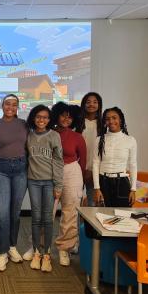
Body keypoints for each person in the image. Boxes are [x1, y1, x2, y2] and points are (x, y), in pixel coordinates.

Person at [0, 94, 28, 272]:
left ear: (18, 107)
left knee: (15, 213)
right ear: (2, 106)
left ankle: (12, 246)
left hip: (20, 169)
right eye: (7, 104)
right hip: (0, 170)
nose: (10, 107)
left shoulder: (25, 125)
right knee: (2, 213)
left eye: (14, 104)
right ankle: (1, 253)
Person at [25, 105, 63, 272]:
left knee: (48, 219)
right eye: (38, 117)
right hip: (33, 181)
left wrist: (58, 185)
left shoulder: (54, 136)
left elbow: (58, 161)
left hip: (49, 182)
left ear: (50, 119)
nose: (42, 120)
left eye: (45, 117)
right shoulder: (29, 135)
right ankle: (36, 252)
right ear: (33, 118)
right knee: (36, 217)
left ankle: (46, 254)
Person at [51, 102, 86, 266]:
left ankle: (65, 248)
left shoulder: (77, 137)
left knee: (70, 212)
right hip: (50, 172)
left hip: (72, 172)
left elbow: (83, 161)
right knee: (45, 212)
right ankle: (38, 247)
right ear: (56, 115)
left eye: (70, 116)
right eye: (63, 115)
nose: (67, 118)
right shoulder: (48, 133)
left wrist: (84, 184)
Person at [93, 107, 137, 207]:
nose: (111, 121)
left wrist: (133, 189)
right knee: (102, 217)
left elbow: (133, 165)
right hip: (103, 182)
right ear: (105, 122)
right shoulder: (99, 140)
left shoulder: (130, 140)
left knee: (123, 217)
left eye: (114, 118)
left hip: (122, 183)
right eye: (108, 119)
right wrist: (97, 188)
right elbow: (96, 164)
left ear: (120, 119)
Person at [76, 92, 103, 207]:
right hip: (77, 169)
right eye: (88, 102)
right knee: (75, 203)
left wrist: (93, 170)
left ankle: (88, 226)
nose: (91, 104)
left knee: (92, 205)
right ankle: (74, 226)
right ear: (83, 104)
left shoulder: (104, 124)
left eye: (95, 102)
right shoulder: (78, 122)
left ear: (99, 105)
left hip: (95, 171)